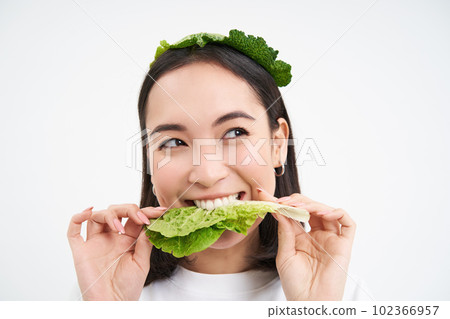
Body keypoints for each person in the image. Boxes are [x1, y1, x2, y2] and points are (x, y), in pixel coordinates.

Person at [67, 29, 368, 301]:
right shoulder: (104, 293)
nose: (208, 174)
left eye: (235, 133)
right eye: (173, 142)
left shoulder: (339, 293)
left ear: (278, 145)